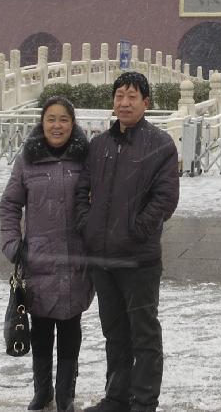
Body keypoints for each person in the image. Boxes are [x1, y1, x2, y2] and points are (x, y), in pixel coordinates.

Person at [73, 72, 179, 412]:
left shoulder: (160, 145)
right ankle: (117, 397)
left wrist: (136, 231)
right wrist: (86, 224)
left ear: (146, 103)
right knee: (114, 333)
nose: (124, 102)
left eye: (132, 96)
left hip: (138, 258)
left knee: (143, 333)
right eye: (119, 96)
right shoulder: (100, 145)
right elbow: (81, 191)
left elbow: (164, 199)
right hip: (103, 258)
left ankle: (144, 401)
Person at [0, 96, 94, 412]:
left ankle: (65, 394)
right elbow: (10, 204)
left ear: (73, 123)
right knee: (40, 331)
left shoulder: (86, 158)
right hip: (38, 260)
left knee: (70, 330)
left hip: (76, 258)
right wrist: (13, 244)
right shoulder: (28, 159)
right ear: (42, 122)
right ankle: (42, 393)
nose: (57, 125)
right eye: (51, 119)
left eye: (64, 119)